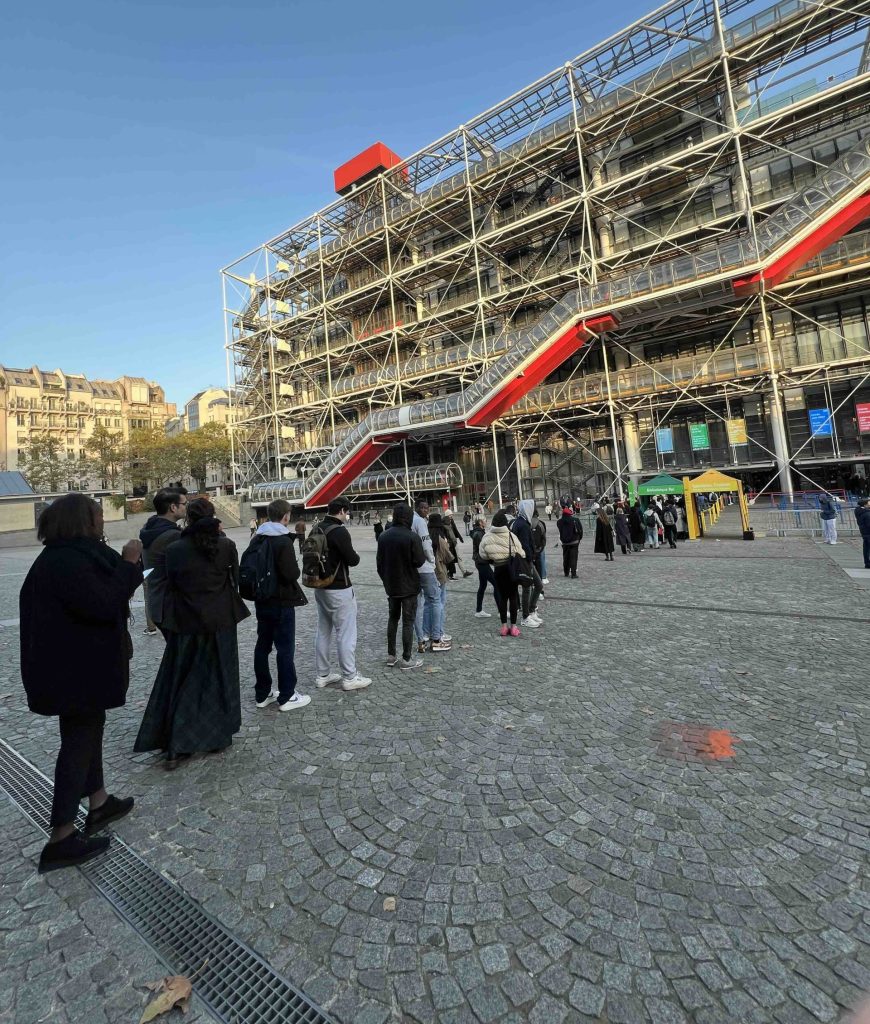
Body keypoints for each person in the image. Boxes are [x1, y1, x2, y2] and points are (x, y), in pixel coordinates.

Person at [20, 494, 141, 872]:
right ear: (82, 522)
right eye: (98, 516)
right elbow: (103, 603)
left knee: (89, 733)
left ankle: (99, 801)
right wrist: (129, 564)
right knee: (77, 743)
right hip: (73, 672)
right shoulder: (68, 562)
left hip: (74, 668)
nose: (103, 521)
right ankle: (61, 836)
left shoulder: (63, 557)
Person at [135, 498, 250, 766]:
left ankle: (179, 738)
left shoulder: (176, 549)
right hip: (220, 619)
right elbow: (234, 581)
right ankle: (216, 733)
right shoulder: (226, 545)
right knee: (220, 676)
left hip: (187, 620)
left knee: (185, 676)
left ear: (189, 519)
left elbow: (173, 584)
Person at [248, 499, 310, 712]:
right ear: (286, 516)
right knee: (285, 648)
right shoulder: (282, 540)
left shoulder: (257, 538)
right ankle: (287, 695)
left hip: (262, 600)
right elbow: (291, 574)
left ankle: (262, 693)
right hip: (281, 601)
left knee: (262, 646)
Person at [309, 496, 371, 690]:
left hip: (320, 587)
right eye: (347, 512)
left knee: (323, 631)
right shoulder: (339, 531)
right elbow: (352, 559)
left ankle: (323, 674)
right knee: (346, 634)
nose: (348, 516)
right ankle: (350, 677)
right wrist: (357, 555)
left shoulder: (316, 528)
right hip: (339, 588)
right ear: (343, 510)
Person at [376, 503, 425, 668]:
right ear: (409, 518)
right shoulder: (412, 537)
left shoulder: (383, 536)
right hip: (409, 585)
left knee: (393, 619)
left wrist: (386, 580)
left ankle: (391, 655)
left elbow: (379, 564)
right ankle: (406, 658)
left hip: (392, 585)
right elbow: (419, 561)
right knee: (408, 621)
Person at [139, 487, 187, 636]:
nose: (187, 507)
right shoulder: (172, 536)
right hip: (171, 606)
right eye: (185, 503)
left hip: (158, 603)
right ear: (173, 507)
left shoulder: (151, 528)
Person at [479, 510, 523, 636]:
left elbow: (483, 554)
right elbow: (521, 552)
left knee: (502, 597)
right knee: (513, 597)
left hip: (498, 569)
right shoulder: (511, 535)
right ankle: (513, 627)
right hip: (511, 569)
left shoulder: (487, 536)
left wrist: (493, 557)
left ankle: (504, 627)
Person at [510, 499, 543, 628]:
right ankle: (525, 616)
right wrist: (531, 558)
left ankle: (531, 610)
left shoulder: (519, 522)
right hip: (524, 560)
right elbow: (525, 545)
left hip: (523, 559)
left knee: (538, 585)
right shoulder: (523, 525)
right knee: (527, 587)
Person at [412, 498, 439, 653]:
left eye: (427, 508)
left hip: (412, 569)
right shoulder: (420, 522)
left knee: (416, 604)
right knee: (434, 600)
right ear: (417, 508)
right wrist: (432, 560)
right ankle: (436, 637)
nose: (426, 510)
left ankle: (421, 639)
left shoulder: (409, 521)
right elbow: (426, 544)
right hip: (425, 568)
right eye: (423, 508)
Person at [426, 512, 454, 651]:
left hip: (428, 574)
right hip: (440, 573)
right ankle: (439, 632)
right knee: (439, 604)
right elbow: (449, 557)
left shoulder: (425, 537)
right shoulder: (440, 538)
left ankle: (427, 633)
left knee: (428, 604)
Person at [470, 515, 499, 617]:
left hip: (481, 562)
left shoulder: (480, 532)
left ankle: (479, 610)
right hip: (482, 562)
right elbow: (484, 549)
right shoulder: (479, 534)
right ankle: (501, 611)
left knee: (482, 586)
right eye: (485, 520)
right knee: (496, 584)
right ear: (480, 522)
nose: (486, 522)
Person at [443, 510, 472, 579]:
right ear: (446, 515)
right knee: (450, 559)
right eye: (450, 515)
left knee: (459, 557)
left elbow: (455, 530)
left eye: (452, 515)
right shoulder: (443, 524)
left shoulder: (451, 521)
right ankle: (448, 573)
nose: (451, 516)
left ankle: (464, 572)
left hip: (454, 543)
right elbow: (444, 534)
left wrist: (460, 537)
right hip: (449, 545)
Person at [557, 505, 582, 577]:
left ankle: (566, 572)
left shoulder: (559, 522)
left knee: (566, 557)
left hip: (564, 542)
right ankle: (573, 574)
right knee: (573, 557)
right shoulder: (576, 520)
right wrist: (579, 538)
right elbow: (580, 531)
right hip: (574, 541)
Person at [532, 511, 549, 584]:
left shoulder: (527, 523)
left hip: (530, 547)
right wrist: (542, 545)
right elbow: (544, 535)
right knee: (542, 561)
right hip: (540, 547)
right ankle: (543, 577)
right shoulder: (541, 523)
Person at [856, 497, 870, 569]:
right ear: (865, 504)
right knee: (867, 548)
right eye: (868, 502)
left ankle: (867, 563)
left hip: (864, 533)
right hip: (868, 532)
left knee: (866, 548)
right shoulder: (866, 514)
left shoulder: (859, 511)